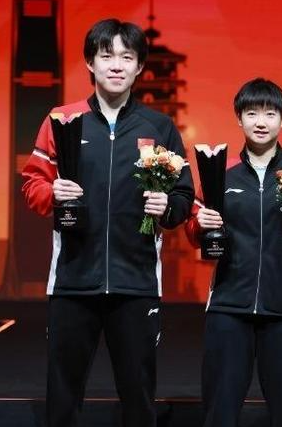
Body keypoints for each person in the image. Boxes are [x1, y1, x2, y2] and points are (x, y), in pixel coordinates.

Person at [21, 18, 194, 427]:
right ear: (90, 63)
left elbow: (184, 196)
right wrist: (52, 192)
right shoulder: (62, 119)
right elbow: (32, 185)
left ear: (139, 67)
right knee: (63, 399)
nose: (116, 65)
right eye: (106, 56)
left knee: (138, 399)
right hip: (72, 282)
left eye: (126, 57)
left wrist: (167, 207)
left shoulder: (159, 127)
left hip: (136, 284)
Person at [185, 78, 282, 427]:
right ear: (239, 118)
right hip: (228, 306)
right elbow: (193, 232)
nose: (261, 122)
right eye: (252, 113)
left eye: (270, 113)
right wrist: (200, 224)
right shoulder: (221, 170)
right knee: (219, 411)